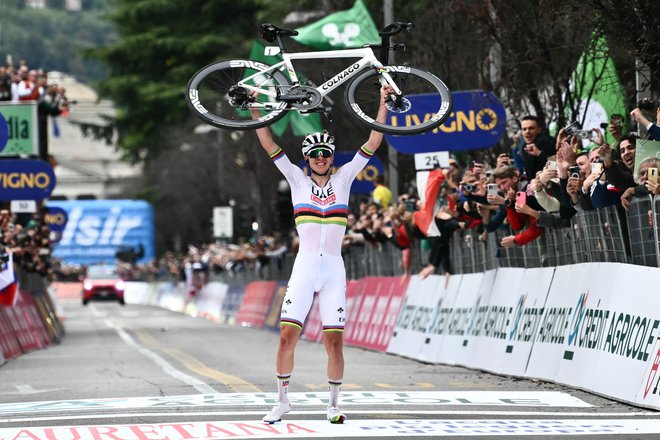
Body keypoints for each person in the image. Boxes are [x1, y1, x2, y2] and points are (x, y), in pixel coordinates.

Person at [251, 86, 391, 425]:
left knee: (334, 342)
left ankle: (332, 405)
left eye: (325, 154)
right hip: (304, 269)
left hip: (333, 271)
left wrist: (384, 101)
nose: (320, 159)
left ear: (331, 157)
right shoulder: (297, 180)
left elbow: (373, 141)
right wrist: (256, 112)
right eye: (314, 155)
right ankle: (282, 401)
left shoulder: (344, 178)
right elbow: (270, 144)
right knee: (287, 337)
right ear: (307, 159)